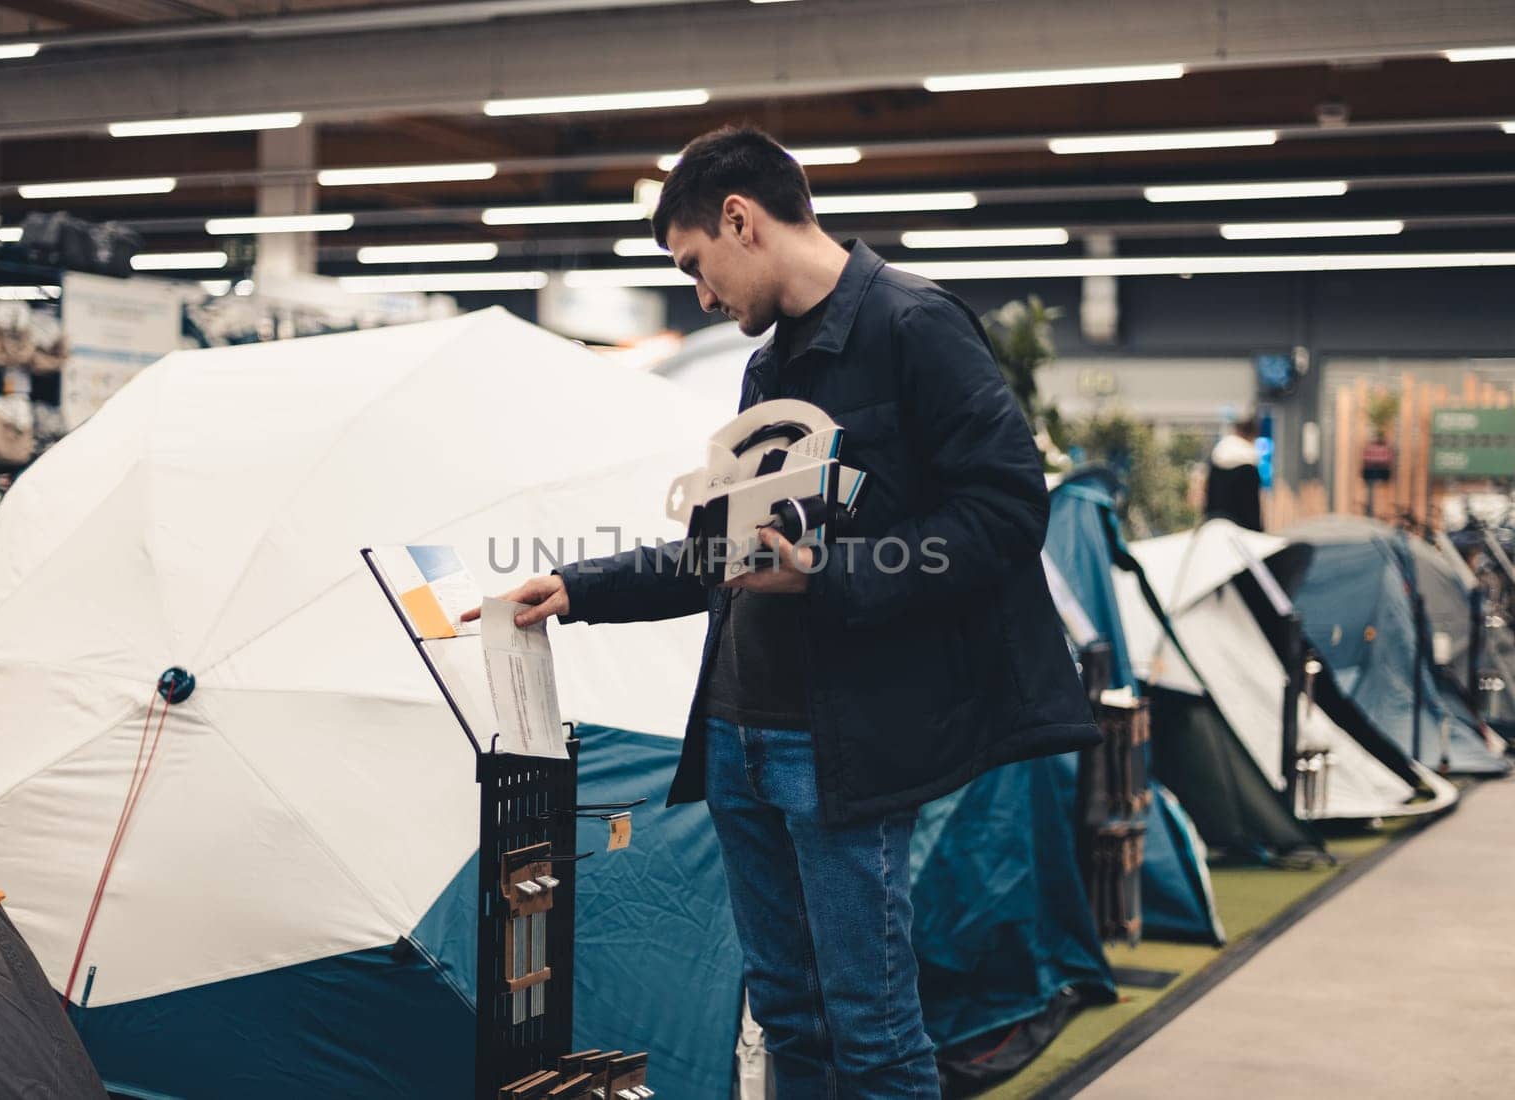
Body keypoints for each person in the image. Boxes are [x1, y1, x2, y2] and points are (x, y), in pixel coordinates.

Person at [466, 126, 1097, 1098]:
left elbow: (1007, 510)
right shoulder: (769, 369)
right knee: (788, 1019)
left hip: (840, 744)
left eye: (695, 267)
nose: (702, 295)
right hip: (735, 736)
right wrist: (583, 588)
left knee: (872, 1028)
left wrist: (835, 575)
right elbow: (724, 552)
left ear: (738, 218)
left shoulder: (914, 327)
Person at [1205, 416, 1264, 531]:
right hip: (1242, 530)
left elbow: (1210, 498)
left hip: (1215, 526)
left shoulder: (1217, 456)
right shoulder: (1249, 462)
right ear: (1253, 434)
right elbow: (1251, 507)